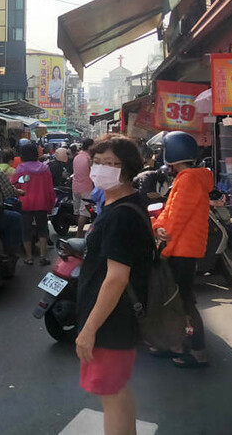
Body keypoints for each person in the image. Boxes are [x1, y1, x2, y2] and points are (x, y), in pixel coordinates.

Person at [75, 136, 154, 435]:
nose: (101, 169)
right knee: (116, 390)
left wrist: (89, 329)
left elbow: (116, 278)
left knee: (112, 393)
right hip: (116, 318)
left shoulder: (121, 215)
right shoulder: (120, 204)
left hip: (112, 320)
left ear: (128, 169)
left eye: (110, 164)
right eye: (97, 162)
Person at [152, 131, 214, 368]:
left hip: (182, 249)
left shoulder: (188, 179)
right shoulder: (188, 177)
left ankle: (198, 352)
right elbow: (170, 211)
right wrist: (158, 225)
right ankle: (177, 344)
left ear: (173, 153)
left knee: (184, 301)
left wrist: (159, 230)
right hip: (184, 247)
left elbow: (175, 217)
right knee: (178, 300)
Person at [11, 142, 55, 265]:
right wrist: (50, 205)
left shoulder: (20, 169)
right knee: (43, 230)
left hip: (25, 203)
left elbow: (15, 185)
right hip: (41, 203)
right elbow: (50, 189)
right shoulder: (44, 168)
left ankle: (29, 257)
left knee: (25, 230)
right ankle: (42, 256)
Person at [72, 138, 94, 238]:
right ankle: (79, 233)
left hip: (75, 188)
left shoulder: (77, 157)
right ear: (90, 147)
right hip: (86, 188)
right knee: (84, 213)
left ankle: (78, 231)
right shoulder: (89, 159)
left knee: (78, 212)